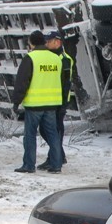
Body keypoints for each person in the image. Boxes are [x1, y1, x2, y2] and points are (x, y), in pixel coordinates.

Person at [11, 30, 64, 174]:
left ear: (31, 43)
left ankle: (29, 165)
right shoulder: (56, 59)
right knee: (53, 134)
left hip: (34, 105)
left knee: (30, 135)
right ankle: (56, 165)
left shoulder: (30, 58)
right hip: (52, 103)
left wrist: (16, 102)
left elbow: (22, 82)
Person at [38, 30, 74, 169]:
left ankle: (54, 157)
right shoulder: (50, 57)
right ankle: (59, 155)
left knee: (53, 130)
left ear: (57, 42)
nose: (46, 43)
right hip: (51, 100)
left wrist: (62, 103)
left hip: (59, 101)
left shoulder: (63, 59)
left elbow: (65, 83)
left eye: (49, 41)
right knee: (47, 129)